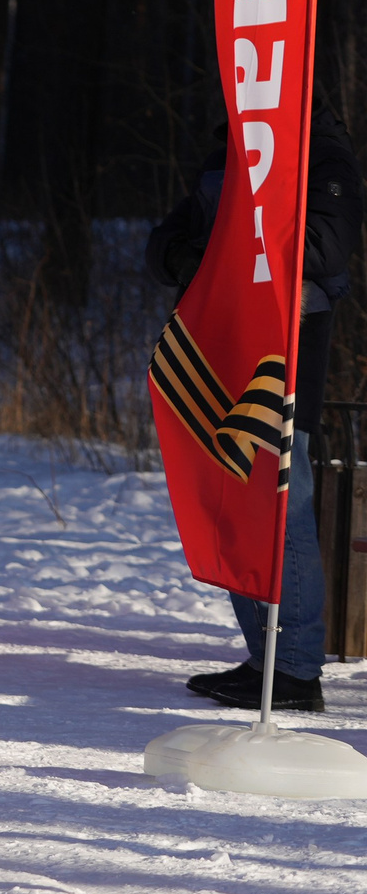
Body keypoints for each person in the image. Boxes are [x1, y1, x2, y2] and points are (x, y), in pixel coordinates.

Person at [148, 114, 363, 711]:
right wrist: (202, 260)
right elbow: (163, 244)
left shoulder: (321, 151)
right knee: (234, 495)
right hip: (216, 346)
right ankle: (266, 660)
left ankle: (293, 668)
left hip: (282, 346)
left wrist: (222, 253)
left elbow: (324, 246)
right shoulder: (231, 148)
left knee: (280, 498)